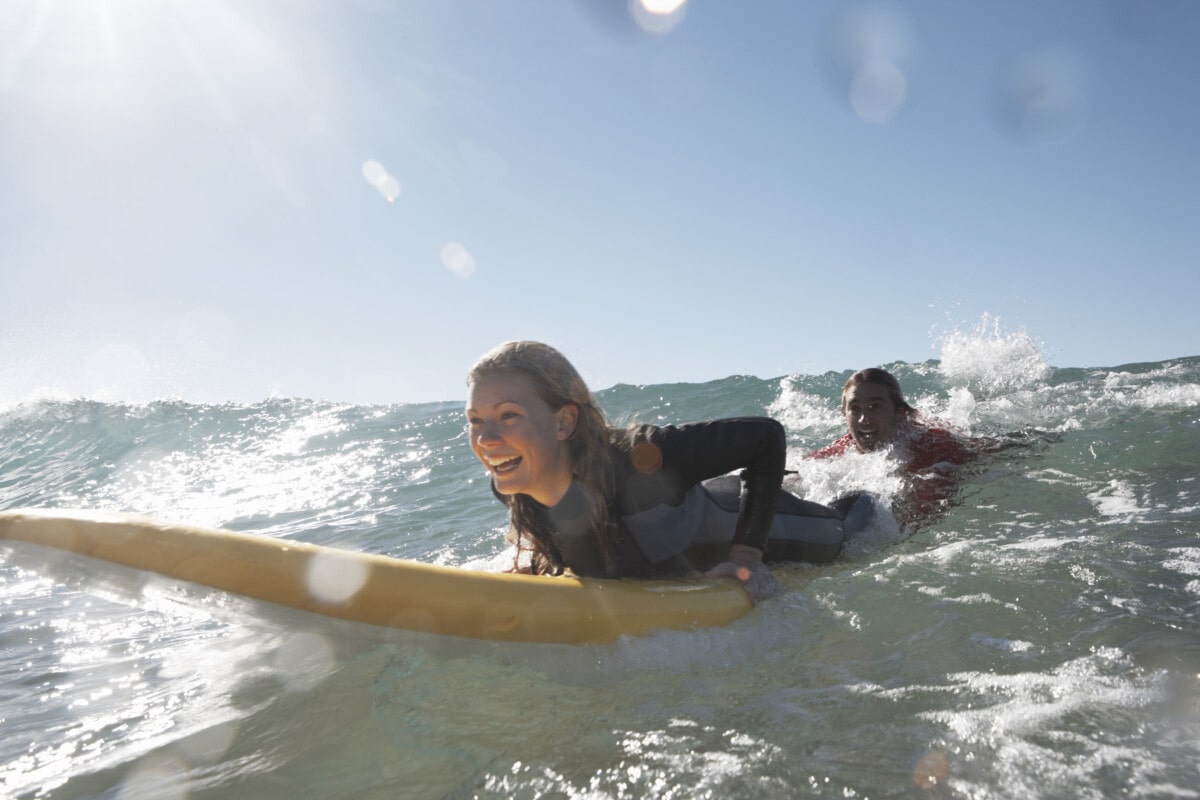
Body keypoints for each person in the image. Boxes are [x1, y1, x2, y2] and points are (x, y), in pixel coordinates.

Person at [465, 341, 851, 603]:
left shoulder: (638, 461)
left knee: (853, 524)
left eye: (508, 415)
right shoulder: (516, 485)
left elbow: (766, 437)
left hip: (796, 531)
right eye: (475, 420)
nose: (485, 439)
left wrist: (747, 556)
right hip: (701, 514)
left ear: (564, 422)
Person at [807, 368, 982, 524]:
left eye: (875, 406)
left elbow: (922, 521)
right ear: (844, 414)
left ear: (899, 413)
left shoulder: (932, 445)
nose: (863, 418)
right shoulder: (842, 447)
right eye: (854, 408)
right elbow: (802, 469)